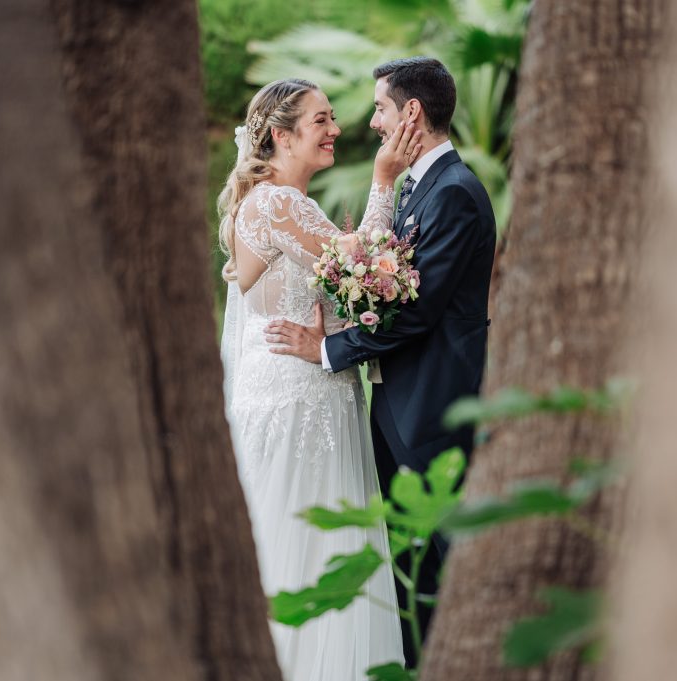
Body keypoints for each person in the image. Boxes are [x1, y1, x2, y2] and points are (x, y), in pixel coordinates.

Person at [264, 58, 496, 667]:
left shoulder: (456, 194)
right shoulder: (420, 188)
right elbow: (377, 285)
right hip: (397, 405)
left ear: (410, 113)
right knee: (407, 565)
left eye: (380, 108)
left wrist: (325, 348)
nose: (371, 121)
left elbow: (414, 314)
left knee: (435, 563)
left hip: (433, 406)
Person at [218, 78, 421, 680]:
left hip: (306, 392)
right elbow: (361, 266)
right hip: (299, 404)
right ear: (281, 135)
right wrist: (384, 181)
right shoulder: (280, 203)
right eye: (322, 120)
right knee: (308, 545)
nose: (337, 130)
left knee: (306, 546)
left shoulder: (272, 204)